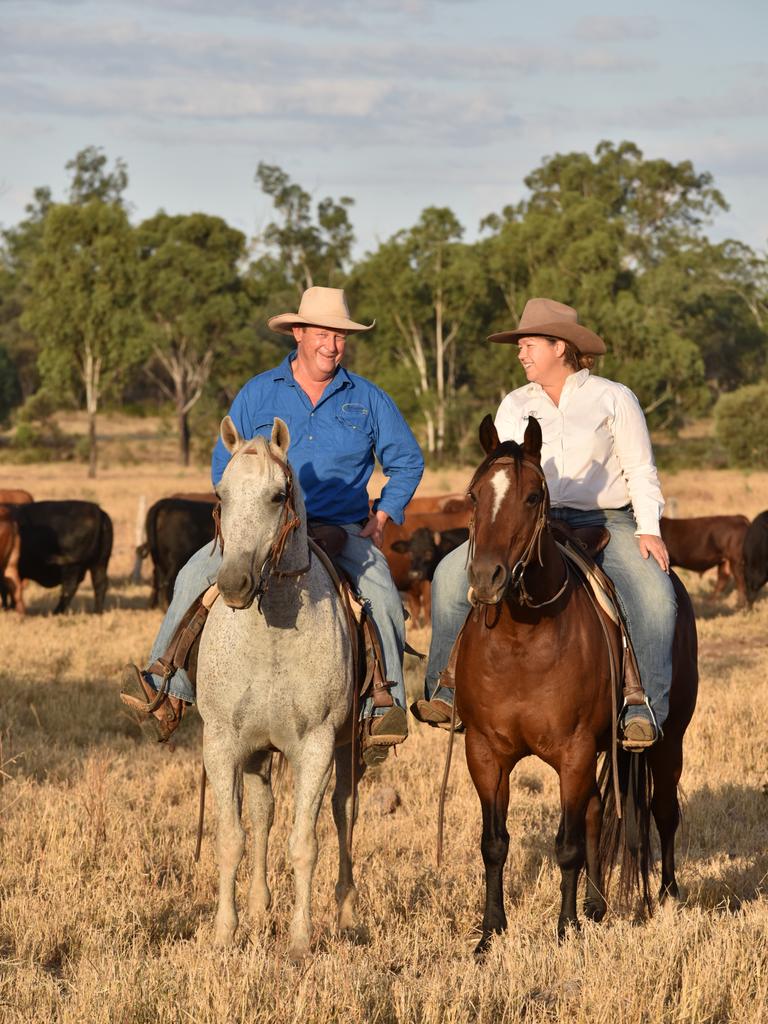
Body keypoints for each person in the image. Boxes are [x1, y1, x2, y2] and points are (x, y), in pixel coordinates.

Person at [122, 286, 424, 764]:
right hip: (261, 527)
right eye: (323, 333)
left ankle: (381, 705)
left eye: (340, 336)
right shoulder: (258, 392)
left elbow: (407, 460)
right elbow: (224, 466)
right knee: (189, 578)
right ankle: (167, 685)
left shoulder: (367, 399)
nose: (332, 345)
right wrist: (243, 515)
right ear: (299, 333)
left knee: (383, 594)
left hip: (339, 528)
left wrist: (383, 514)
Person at [413, 297, 675, 748]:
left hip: (605, 520)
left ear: (560, 347)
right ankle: (446, 688)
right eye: (520, 345)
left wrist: (648, 527)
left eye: (529, 344)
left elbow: (640, 468)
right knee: (448, 575)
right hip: (533, 521)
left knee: (656, 597)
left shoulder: (612, 397)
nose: (520, 353)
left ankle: (643, 704)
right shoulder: (515, 404)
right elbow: (502, 473)